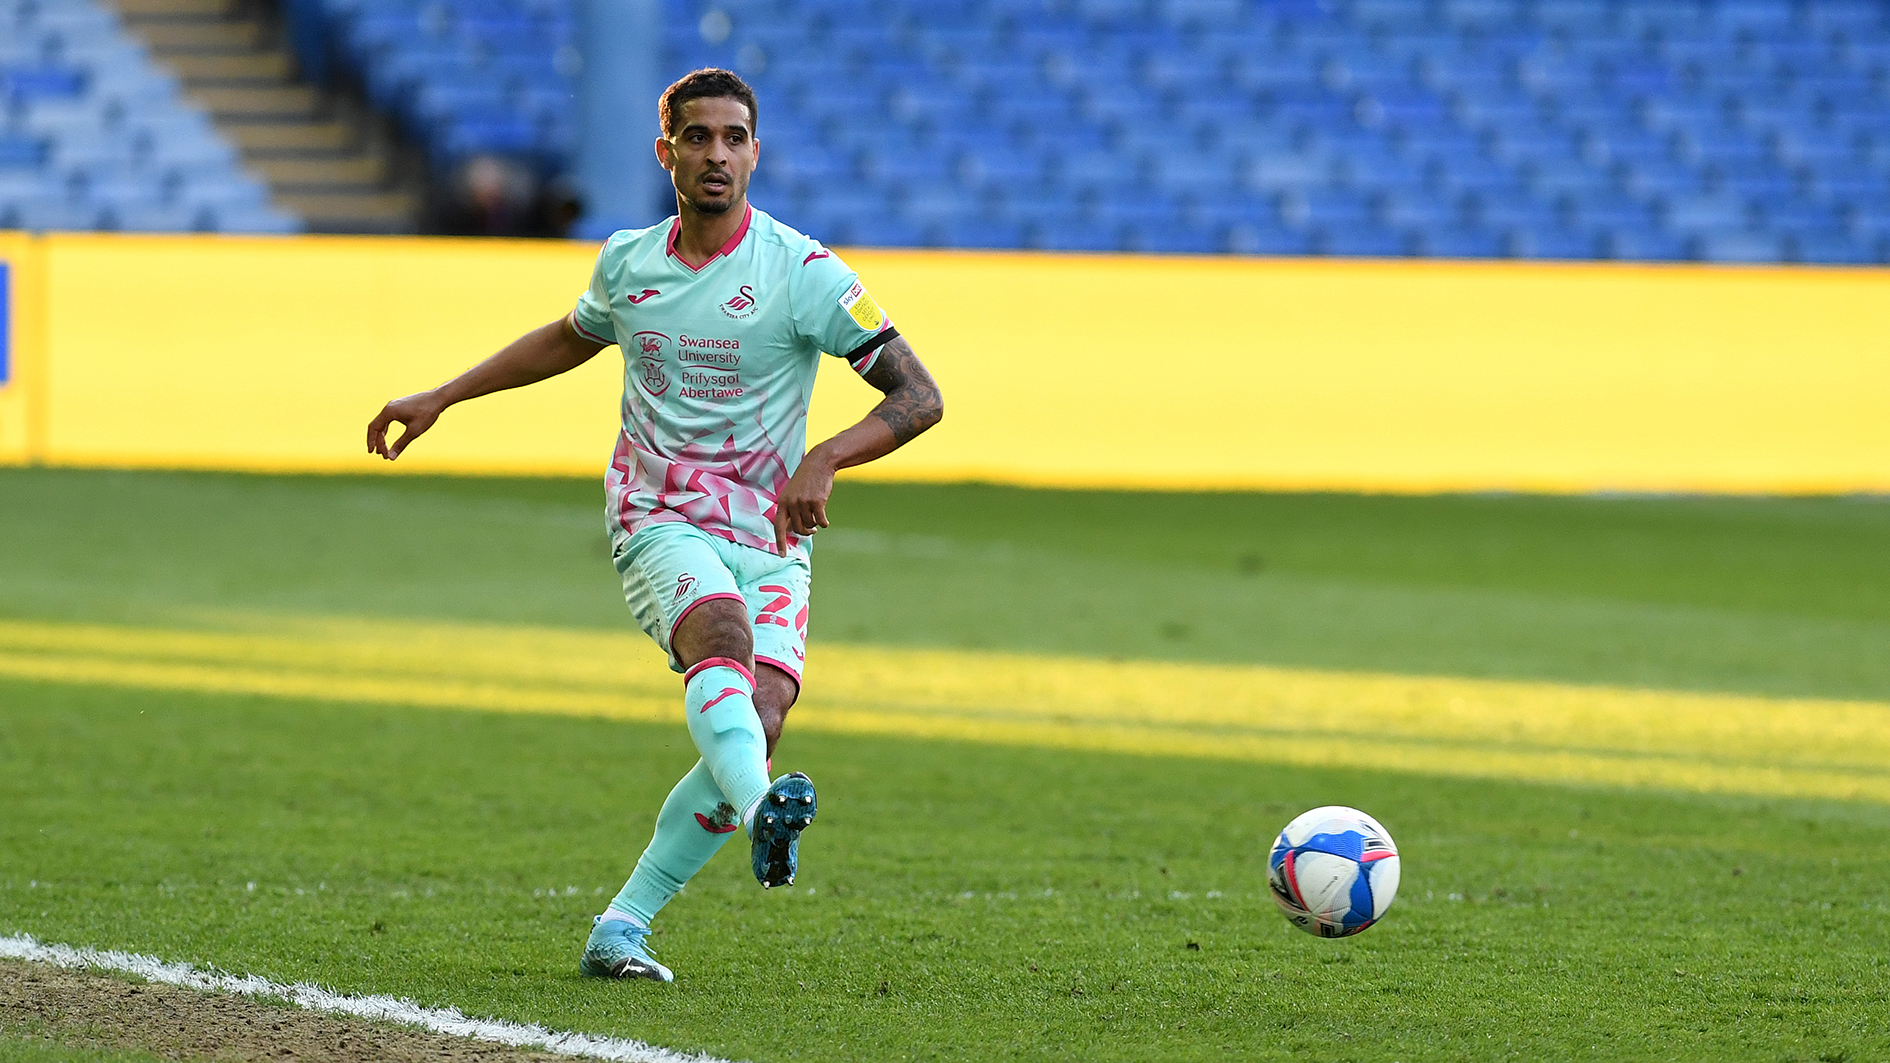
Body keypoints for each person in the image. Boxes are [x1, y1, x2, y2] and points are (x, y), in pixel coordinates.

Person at [365, 68, 943, 983]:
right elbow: (569, 336)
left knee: (759, 718)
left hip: (769, 530)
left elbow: (919, 396)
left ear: (757, 150)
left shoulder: (804, 273)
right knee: (721, 635)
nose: (718, 154)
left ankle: (621, 926)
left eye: (735, 137)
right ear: (665, 151)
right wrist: (444, 394)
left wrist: (826, 454)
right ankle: (762, 817)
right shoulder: (629, 262)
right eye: (699, 137)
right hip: (657, 509)